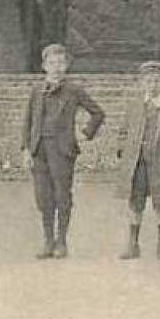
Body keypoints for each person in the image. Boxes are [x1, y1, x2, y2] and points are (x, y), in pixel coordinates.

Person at [21, 43, 105, 260]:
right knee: (43, 197)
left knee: (62, 195)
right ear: (44, 66)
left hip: (62, 150)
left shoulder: (74, 90)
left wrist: (85, 133)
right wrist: (26, 150)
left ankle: (61, 241)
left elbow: (97, 113)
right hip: (39, 149)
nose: (56, 68)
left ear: (67, 65)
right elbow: (28, 121)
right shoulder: (37, 91)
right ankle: (47, 240)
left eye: (60, 63)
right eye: (52, 63)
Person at [114, 61, 160, 260]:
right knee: (135, 203)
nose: (152, 84)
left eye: (156, 80)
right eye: (148, 81)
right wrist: (123, 149)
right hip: (137, 163)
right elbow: (123, 131)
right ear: (141, 83)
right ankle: (132, 243)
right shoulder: (134, 106)